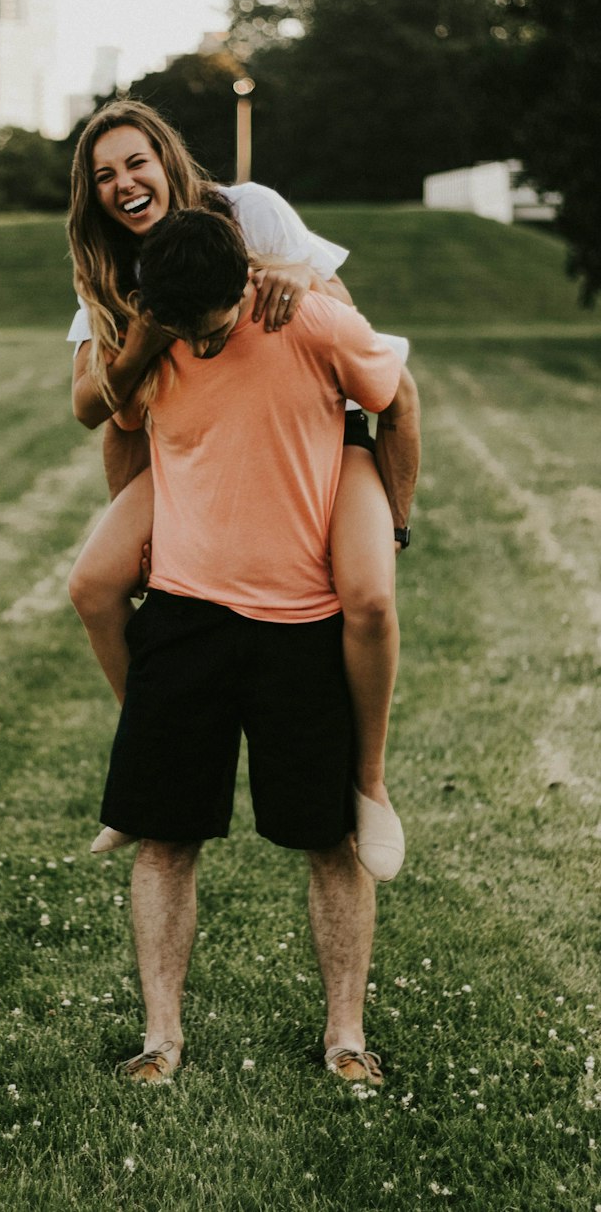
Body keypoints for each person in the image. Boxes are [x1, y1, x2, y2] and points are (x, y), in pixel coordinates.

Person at [97, 208, 420, 1085]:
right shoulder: (159, 327)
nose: (199, 348)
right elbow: (110, 417)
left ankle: (345, 1037)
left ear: (243, 287)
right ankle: (161, 1037)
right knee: (163, 838)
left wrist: (393, 520)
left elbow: (398, 398)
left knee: (331, 842)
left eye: (211, 330)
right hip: (184, 615)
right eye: (183, 332)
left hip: (300, 625)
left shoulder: (310, 320)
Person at [65, 100, 411, 878]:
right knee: (92, 585)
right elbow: (99, 411)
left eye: (136, 164)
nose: (125, 185)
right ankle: (150, 762)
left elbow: (351, 331)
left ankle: (372, 785)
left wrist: (295, 271)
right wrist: (145, 338)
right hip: (195, 450)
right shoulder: (110, 267)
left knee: (370, 598)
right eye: (105, 176)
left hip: (318, 430)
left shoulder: (249, 210)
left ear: (166, 160)